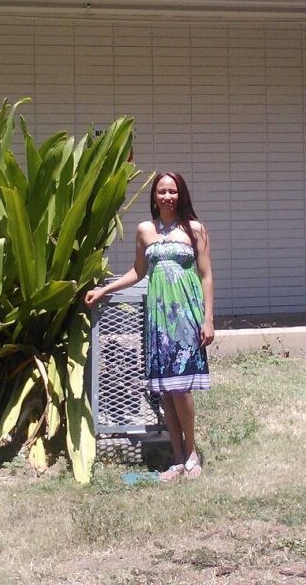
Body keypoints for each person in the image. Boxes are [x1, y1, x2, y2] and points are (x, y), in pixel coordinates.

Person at [84, 171, 215, 481]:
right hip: (158, 319)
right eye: (161, 192)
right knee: (166, 391)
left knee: (181, 388)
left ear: (181, 195)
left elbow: (206, 275)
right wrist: (104, 290)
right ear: (154, 196)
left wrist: (208, 318)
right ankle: (177, 456)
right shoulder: (145, 230)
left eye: (172, 191)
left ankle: (192, 450)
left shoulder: (195, 229)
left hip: (186, 315)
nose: (167, 196)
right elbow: (138, 272)